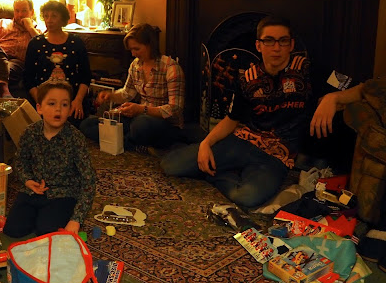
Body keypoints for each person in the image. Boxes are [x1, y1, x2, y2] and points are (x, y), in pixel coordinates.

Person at [160, 16, 314, 208]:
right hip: (242, 142)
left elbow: (357, 88)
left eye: (282, 41)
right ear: (259, 45)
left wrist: (333, 99)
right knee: (170, 166)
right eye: (269, 41)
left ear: (291, 44)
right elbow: (232, 119)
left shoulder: (307, 70)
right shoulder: (247, 77)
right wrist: (206, 144)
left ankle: (219, 174)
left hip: (276, 156)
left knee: (246, 198)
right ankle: (206, 152)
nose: (276, 48)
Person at [3, 80, 96, 237]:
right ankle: (39, 215)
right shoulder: (30, 133)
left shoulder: (75, 138)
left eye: (64, 104)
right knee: (13, 230)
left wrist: (76, 219)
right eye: (52, 104)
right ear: (39, 108)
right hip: (34, 191)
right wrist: (27, 180)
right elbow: (20, 162)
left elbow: (89, 179)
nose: (58, 109)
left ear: (70, 108)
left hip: (63, 193)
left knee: (46, 231)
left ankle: (48, 217)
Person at [80, 23, 185, 151]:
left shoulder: (171, 67)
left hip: (164, 123)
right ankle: (135, 145)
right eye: (131, 50)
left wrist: (141, 109)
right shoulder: (135, 65)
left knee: (140, 125)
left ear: (150, 45)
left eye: (137, 49)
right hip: (138, 116)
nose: (133, 54)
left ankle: (126, 140)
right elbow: (127, 93)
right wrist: (110, 95)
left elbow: (175, 109)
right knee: (87, 124)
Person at [24, 0, 92, 122]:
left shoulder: (76, 43)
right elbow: (28, 79)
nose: (49, 20)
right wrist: (41, 102)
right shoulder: (35, 43)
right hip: (43, 101)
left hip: (71, 101)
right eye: (46, 16)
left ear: (63, 18)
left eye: (54, 16)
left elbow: (85, 76)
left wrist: (78, 101)